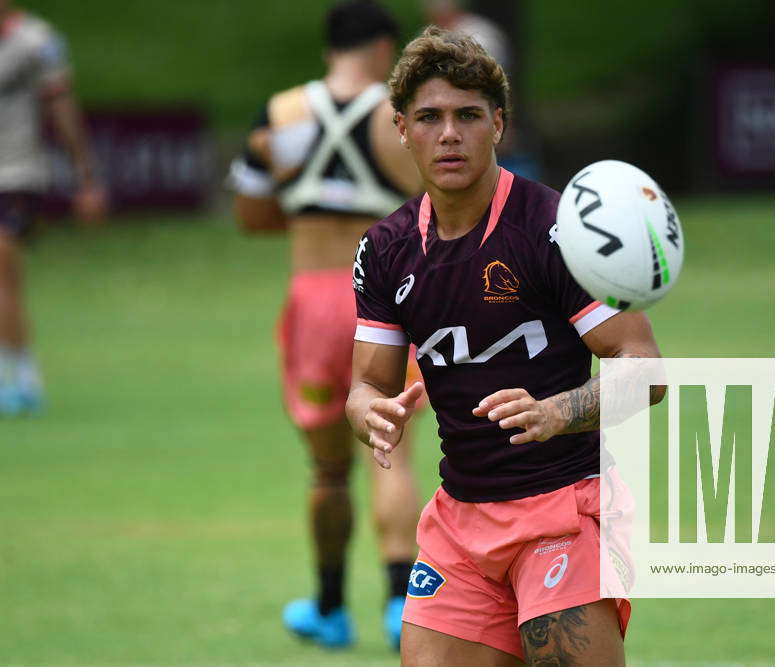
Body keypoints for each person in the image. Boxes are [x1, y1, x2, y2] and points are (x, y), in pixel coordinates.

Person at [346, 26, 664, 665]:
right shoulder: (386, 251)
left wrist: (556, 412)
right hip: (459, 523)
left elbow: (647, 371)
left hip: (563, 509)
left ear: (499, 125)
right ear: (402, 128)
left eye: (468, 116)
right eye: (429, 117)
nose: (449, 134)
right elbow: (368, 383)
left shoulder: (555, 232)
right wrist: (365, 409)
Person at [229, 0, 424, 650]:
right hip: (386, 296)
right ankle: (401, 605)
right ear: (382, 48)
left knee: (327, 469)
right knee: (390, 451)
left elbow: (251, 215)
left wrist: (313, 210)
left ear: (328, 48)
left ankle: (330, 606)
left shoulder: (280, 114)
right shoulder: (402, 120)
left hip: (312, 298)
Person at [0, 1, 106, 415]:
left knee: (3, 268)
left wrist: (87, 179)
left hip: (17, 174)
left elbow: (62, 109)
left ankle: (21, 379)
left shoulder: (36, 41)